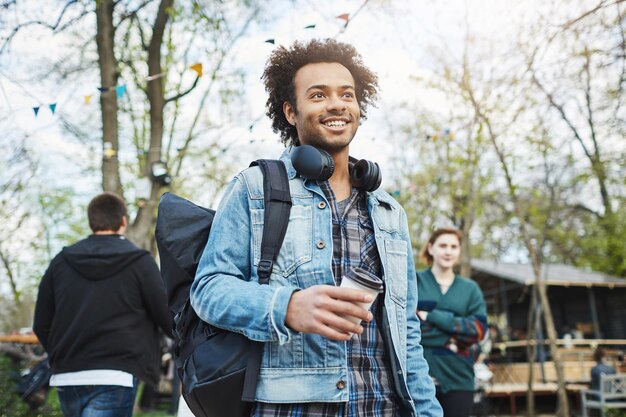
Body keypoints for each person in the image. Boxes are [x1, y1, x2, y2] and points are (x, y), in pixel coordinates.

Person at [190, 38, 442, 417]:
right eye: (319, 95)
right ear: (291, 112)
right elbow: (208, 289)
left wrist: (428, 411)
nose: (337, 104)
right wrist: (285, 307)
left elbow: (406, 332)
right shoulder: (254, 188)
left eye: (347, 94)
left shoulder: (391, 211)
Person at [33, 192, 173, 417]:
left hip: (68, 376)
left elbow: (41, 323)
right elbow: (167, 317)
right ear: (124, 222)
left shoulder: (61, 262)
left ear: (91, 222)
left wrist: (66, 352)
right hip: (117, 374)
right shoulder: (139, 262)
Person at [416, 227, 487, 417]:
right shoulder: (415, 281)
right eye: (443, 245)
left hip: (459, 378)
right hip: (419, 377)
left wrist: (431, 316)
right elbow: (406, 328)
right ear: (431, 248)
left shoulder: (470, 289)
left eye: (454, 246)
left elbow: (478, 331)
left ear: (459, 251)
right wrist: (453, 338)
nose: (448, 251)